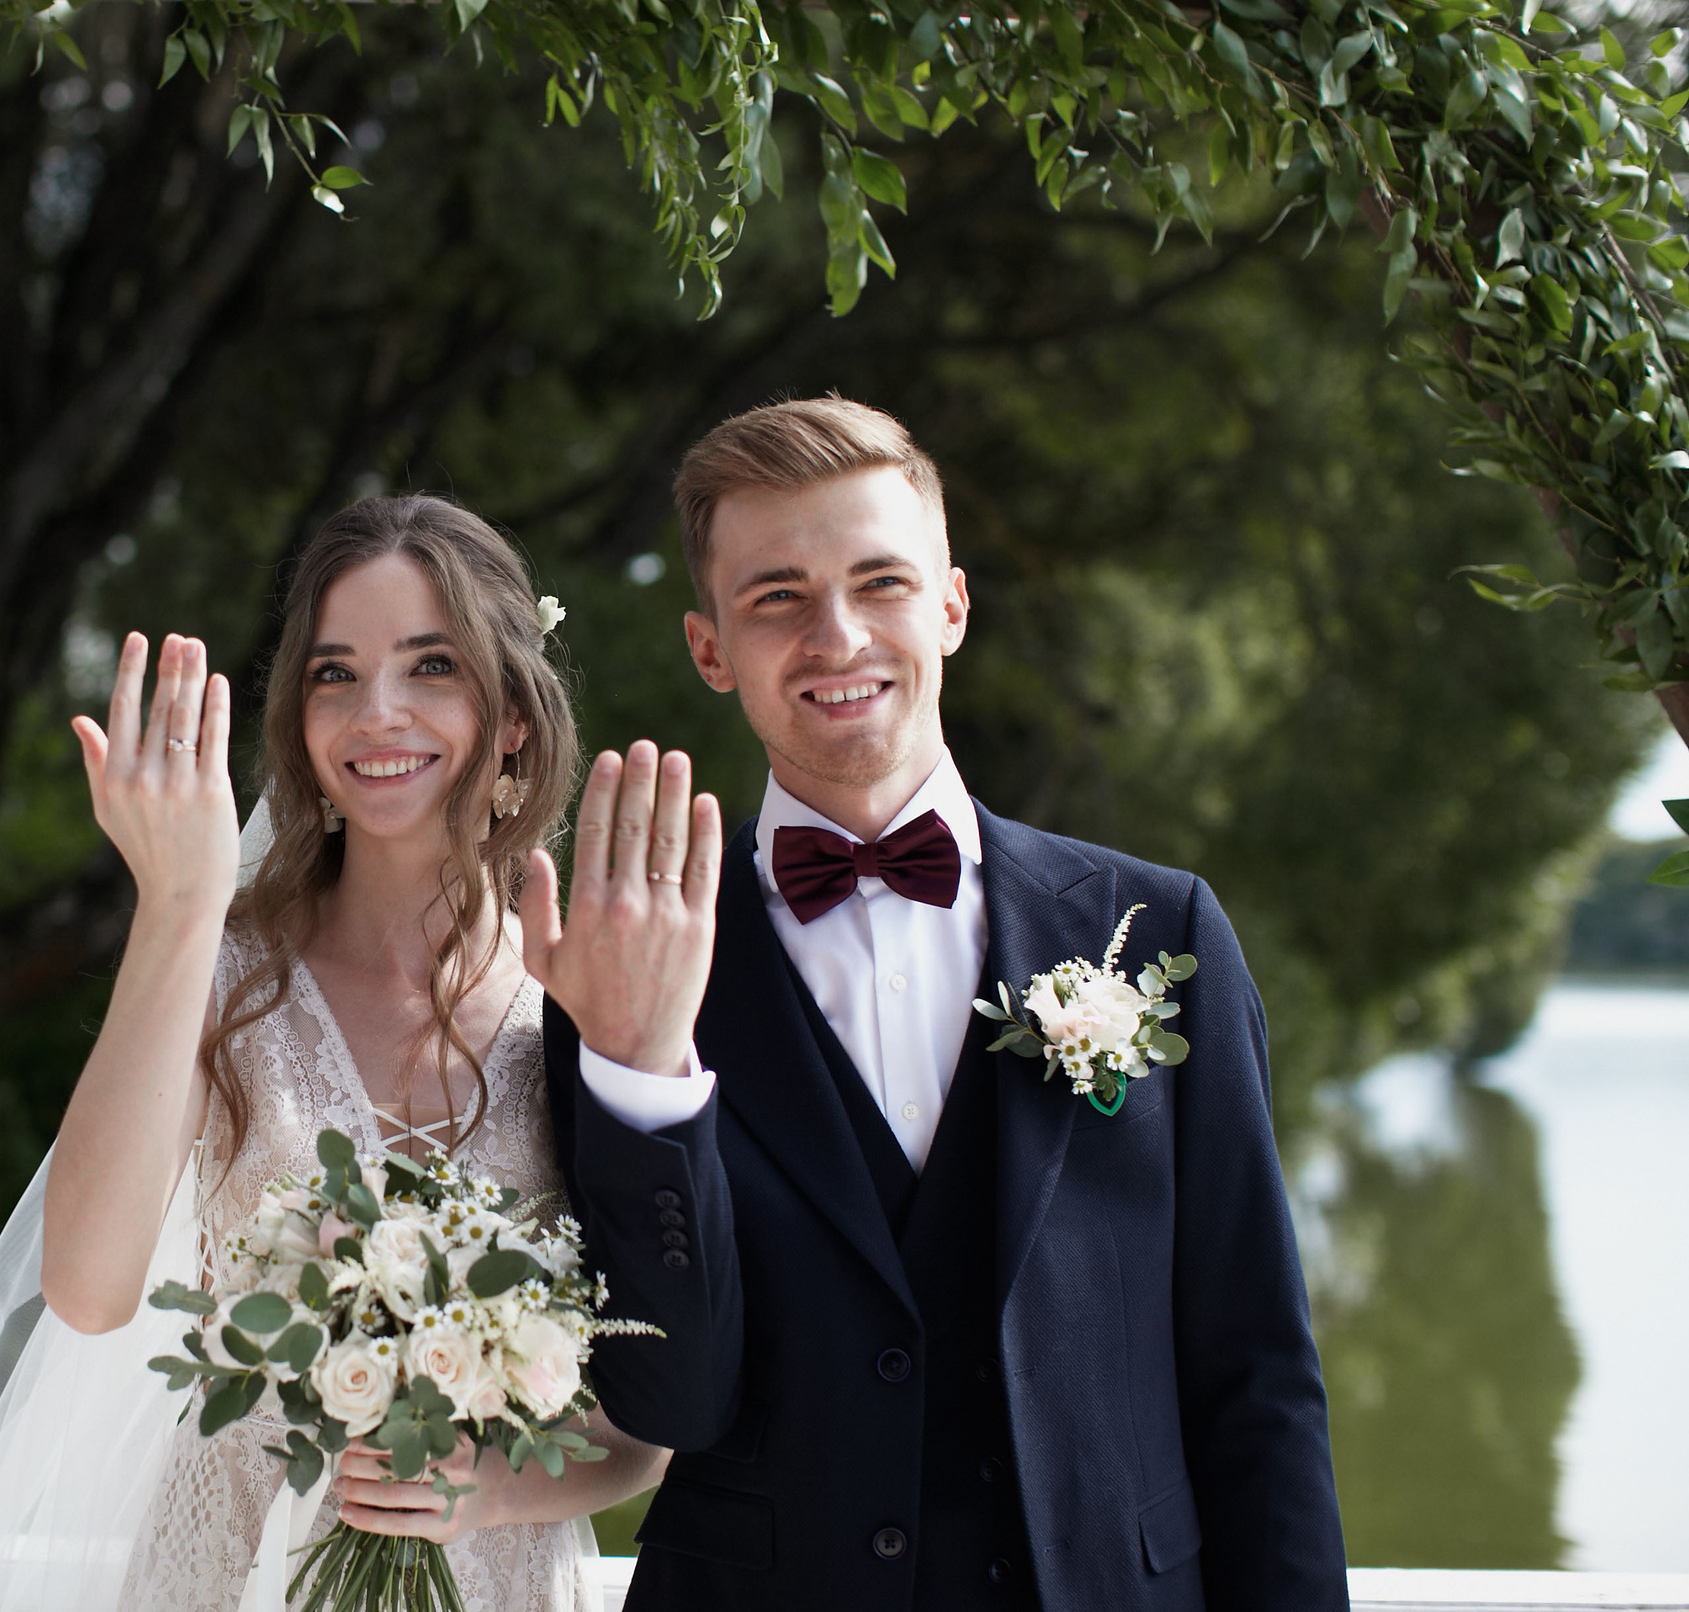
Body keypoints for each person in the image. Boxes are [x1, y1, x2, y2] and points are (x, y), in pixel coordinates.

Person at [520, 397, 1349, 1611]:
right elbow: (672, 1404)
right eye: (777, 598)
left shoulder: (1158, 930)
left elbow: (1256, 1377)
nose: (837, 635)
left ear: (951, 607)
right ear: (710, 649)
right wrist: (642, 1065)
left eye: (880, 583)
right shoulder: (617, 971)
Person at [0, 494, 667, 1612]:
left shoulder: (582, 986)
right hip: (219, 1568)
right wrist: (178, 903)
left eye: (430, 666)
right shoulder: (224, 965)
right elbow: (91, 1290)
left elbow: (646, 1433)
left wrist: (481, 1493)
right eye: (333, 674)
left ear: (514, 717)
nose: (376, 713)